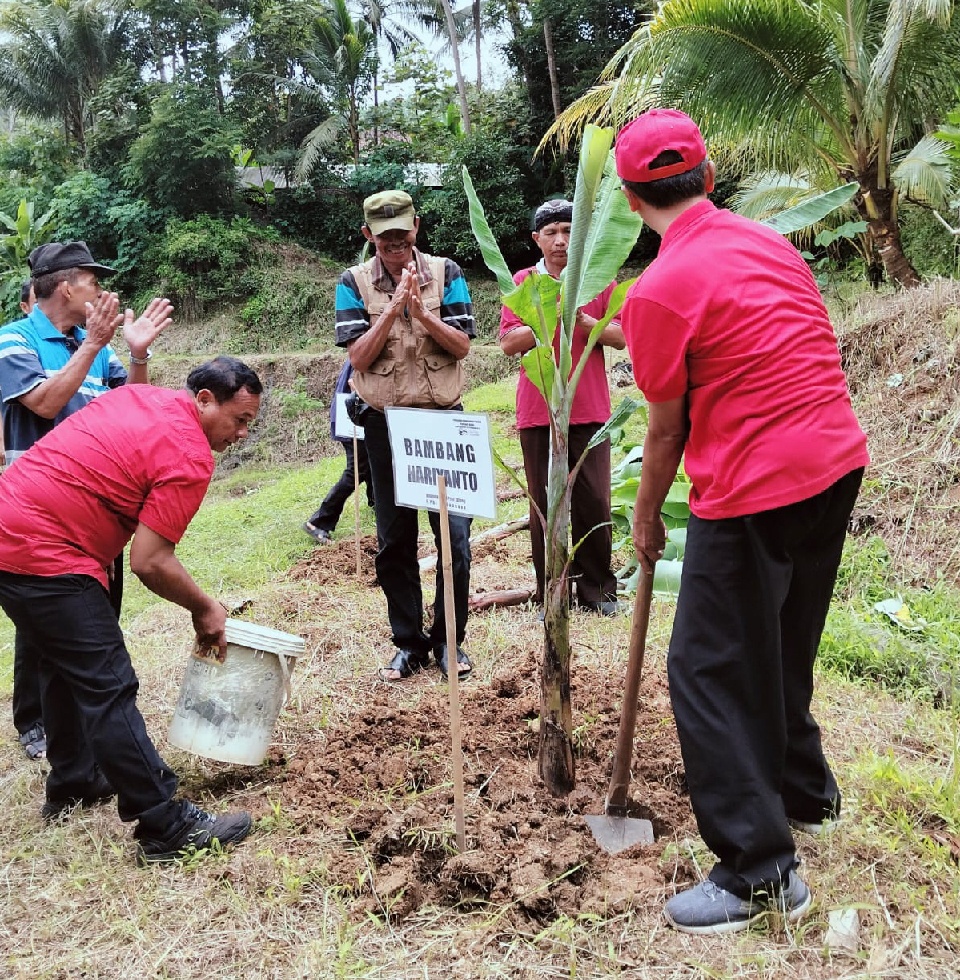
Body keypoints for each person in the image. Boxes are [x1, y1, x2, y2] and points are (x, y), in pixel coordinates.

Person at [614, 109, 870, 934]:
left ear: (629, 197)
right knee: (784, 638)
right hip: (834, 460)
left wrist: (646, 518)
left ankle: (759, 871)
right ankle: (806, 794)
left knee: (706, 669)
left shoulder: (655, 290)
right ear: (709, 178)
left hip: (757, 486)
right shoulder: (769, 242)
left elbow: (664, 428)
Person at [0, 356, 262, 864]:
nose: (244, 433)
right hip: (47, 551)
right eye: (240, 420)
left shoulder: (142, 396)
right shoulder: (190, 454)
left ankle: (73, 780)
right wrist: (205, 608)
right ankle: (163, 821)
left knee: (59, 661)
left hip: (10, 525)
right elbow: (149, 560)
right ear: (204, 400)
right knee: (108, 683)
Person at [0, 242, 172, 761]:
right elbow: (46, 403)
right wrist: (93, 344)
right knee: (48, 629)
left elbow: (131, 406)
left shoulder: (94, 346)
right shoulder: (14, 341)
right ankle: (37, 723)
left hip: (96, 510)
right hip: (38, 516)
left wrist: (136, 353)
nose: (102, 291)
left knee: (94, 619)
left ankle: (74, 735)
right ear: (66, 286)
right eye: (93, 281)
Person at [336, 189, 475, 682]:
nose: (396, 244)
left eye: (403, 233)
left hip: (443, 423)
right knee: (394, 539)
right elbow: (357, 358)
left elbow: (461, 346)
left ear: (416, 226)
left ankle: (450, 642)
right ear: (368, 235)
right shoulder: (351, 283)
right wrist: (394, 309)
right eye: (385, 237)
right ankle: (408, 643)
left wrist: (423, 313)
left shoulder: (448, 273)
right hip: (385, 425)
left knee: (455, 537)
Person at [499, 199, 625, 615]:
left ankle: (599, 593)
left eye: (569, 231)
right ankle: (549, 592)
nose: (560, 240)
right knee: (544, 505)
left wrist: (583, 319)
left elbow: (622, 336)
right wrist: (546, 315)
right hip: (538, 409)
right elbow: (507, 343)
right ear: (537, 239)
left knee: (594, 501)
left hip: (588, 407)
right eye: (551, 232)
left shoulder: (597, 281)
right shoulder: (523, 282)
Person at [302, 360, 375, 543]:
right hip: (355, 418)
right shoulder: (367, 349)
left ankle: (377, 505)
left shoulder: (361, 346)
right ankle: (318, 522)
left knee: (373, 462)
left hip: (352, 415)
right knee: (357, 470)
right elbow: (355, 384)